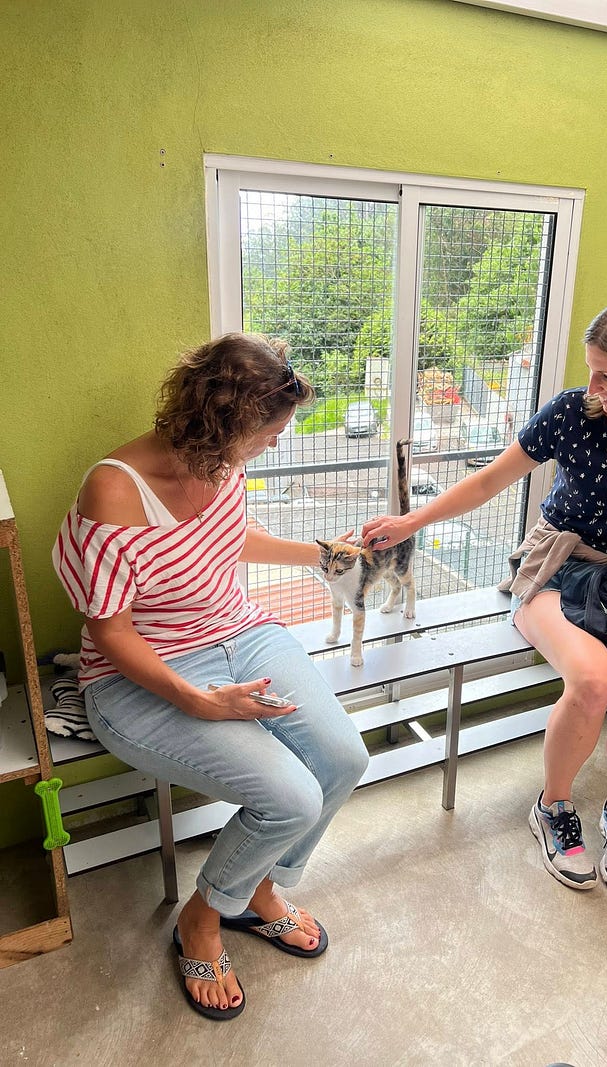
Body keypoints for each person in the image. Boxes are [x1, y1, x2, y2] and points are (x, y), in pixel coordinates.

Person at [53, 333, 369, 1019]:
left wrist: (319, 554)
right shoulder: (113, 490)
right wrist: (198, 700)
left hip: (240, 634)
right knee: (290, 797)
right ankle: (202, 917)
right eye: (269, 433)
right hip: (140, 673)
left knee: (345, 757)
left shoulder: (222, 462)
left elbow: (227, 538)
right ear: (222, 423)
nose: (275, 445)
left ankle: (256, 887)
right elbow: (111, 630)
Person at [363, 296, 607, 895]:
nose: (594, 385)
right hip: (555, 566)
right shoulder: (570, 413)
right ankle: (553, 807)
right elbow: (488, 480)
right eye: (591, 369)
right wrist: (410, 522)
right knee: (592, 680)